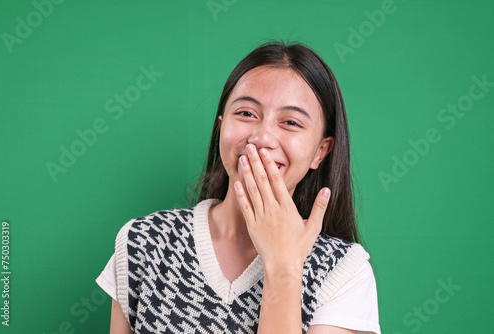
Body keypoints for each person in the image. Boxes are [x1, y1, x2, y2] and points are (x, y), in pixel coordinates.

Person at [96, 41, 381, 334]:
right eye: (246, 113)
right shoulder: (144, 242)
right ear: (221, 126)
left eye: (291, 122)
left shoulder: (344, 272)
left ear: (321, 151)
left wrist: (283, 266)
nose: (261, 137)